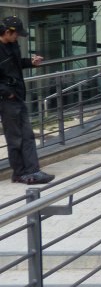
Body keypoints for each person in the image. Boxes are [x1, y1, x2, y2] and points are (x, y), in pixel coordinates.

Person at [0, 16, 55, 185]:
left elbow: (16, 64)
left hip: (17, 95)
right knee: (16, 137)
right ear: (7, 32)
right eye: (16, 34)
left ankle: (32, 171)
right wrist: (7, 93)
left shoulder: (11, 44)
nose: (18, 38)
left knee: (28, 135)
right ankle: (21, 173)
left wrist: (31, 62)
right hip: (7, 99)